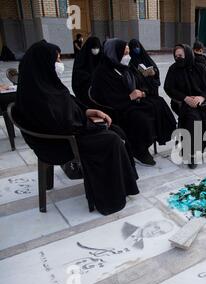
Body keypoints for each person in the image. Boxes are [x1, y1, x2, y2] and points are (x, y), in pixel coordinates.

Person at [13, 40, 139, 215]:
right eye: (56, 60)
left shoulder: (47, 84)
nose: (59, 64)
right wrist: (90, 126)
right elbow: (60, 123)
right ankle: (109, 197)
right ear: (43, 63)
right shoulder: (36, 94)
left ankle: (125, 185)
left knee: (116, 130)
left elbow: (68, 107)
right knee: (112, 139)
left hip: (70, 132)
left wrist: (88, 112)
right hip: (59, 143)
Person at [90, 38, 176, 166]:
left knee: (159, 103)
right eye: (124, 53)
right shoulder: (102, 73)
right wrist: (128, 97)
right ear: (114, 53)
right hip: (118, 108)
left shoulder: (127, 67)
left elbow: (141, 83)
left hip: (135, 101)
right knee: (143, 119)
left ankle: (158, 137)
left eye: (128, 52)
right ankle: (139, 149)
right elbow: (106, 97)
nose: (128, 56)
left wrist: (142, 92)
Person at [164, 44, 206, 169]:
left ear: (188, 54)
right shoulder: (173, 69)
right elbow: (169, 88)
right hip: (186, 104)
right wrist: (185, 98)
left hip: (204, 103)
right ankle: (191, 154)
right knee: (194, 120)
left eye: (181, 55)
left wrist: (202, 98)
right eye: (176, 56)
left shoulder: (200, 68)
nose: (178, 58)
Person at [72, 36, 103, 106]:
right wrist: (91, 78)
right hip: (86, 94)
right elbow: (77, 77)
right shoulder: (81, 58)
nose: (95, 50)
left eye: (97, 47)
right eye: (93, 47)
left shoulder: (102, 57)